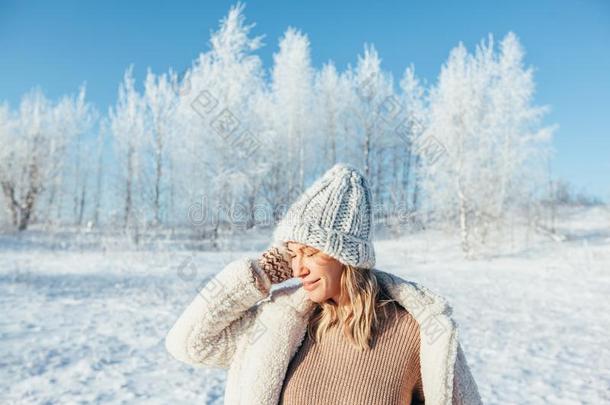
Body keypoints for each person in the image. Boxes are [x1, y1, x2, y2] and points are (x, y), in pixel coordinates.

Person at [165, 163, 482, 405]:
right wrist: (261, 273)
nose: (297, 268)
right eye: (292, 253)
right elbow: (189, 344)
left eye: (311, 252)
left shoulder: (418, 330)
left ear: (346, 256)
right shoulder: (281, 324)